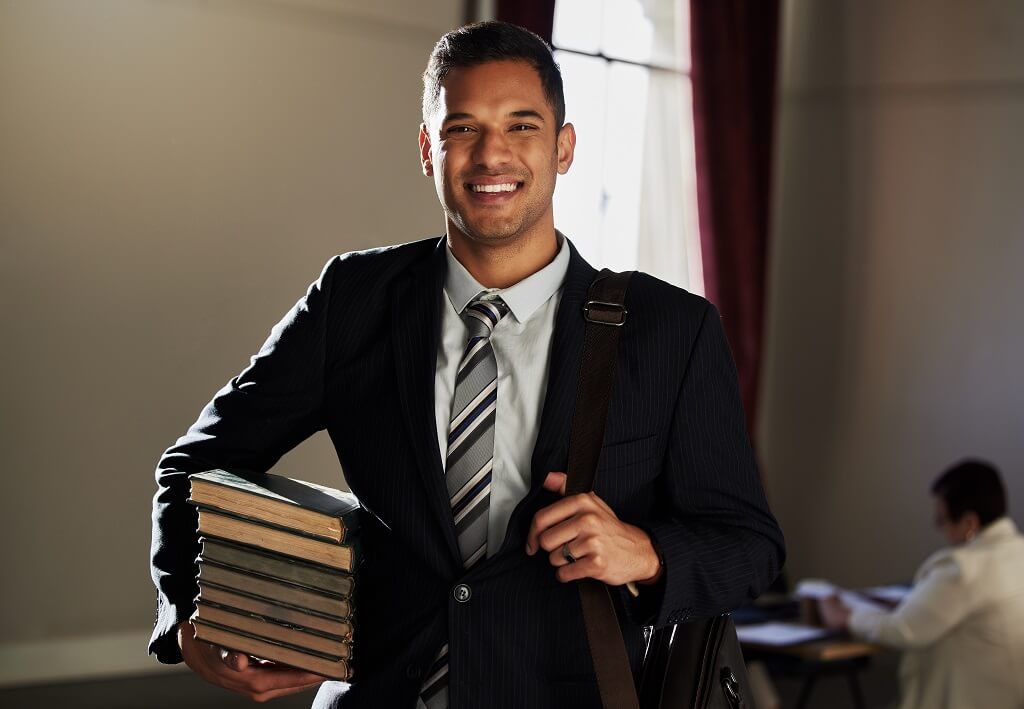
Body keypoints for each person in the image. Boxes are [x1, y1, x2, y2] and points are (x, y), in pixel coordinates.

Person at [148, 21, 785, 709]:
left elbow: (750, 546)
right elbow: (194, 463)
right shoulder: (352, 301)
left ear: (563, 148)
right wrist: (192, 611)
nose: (492, 155)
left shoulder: (672, 330)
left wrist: (646, 552)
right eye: (462, 129)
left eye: (521, 126)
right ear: (428, 148)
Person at [819, 460, 1024, 709]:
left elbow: (902, 630)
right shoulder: (1017, 551)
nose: (942, 530)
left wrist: (845, 616)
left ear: (970, 523)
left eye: (942, 521)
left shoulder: (963, 568)